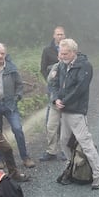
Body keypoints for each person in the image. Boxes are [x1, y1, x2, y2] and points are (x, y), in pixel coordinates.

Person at [54, 38, 99, 190]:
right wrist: (56, 99)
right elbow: (56, 84)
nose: (62, 56)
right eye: (61, 53)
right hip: (64, 111)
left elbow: (80, 88)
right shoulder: (62, 65)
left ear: (73, 52)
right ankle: (74, 168)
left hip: (76, 111)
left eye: (65, 53)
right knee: (63, 141)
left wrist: (64, 101)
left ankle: (98, 175)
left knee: (85, 143)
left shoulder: (85, 66)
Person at [0, 43, 36, 169]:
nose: (0, 56)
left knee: (17, 129)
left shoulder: (11, 68)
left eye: (2, 54)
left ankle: (25, 157)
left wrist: (17, 97)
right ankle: (1, 160)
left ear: (5, 54)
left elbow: (19, 85)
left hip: (10, 103)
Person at [39, 26, 67, 161]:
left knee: (65, 122)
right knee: (51, 124)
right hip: (52, 91)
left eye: (62, 34)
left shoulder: (69, 49)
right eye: (58, 34)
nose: (60, 36)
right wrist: (50, 81)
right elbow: (43, 68)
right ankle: (51, 151)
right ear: (54, 35)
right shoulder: (47, 50)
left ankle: (64, 149)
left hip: (67, 91)